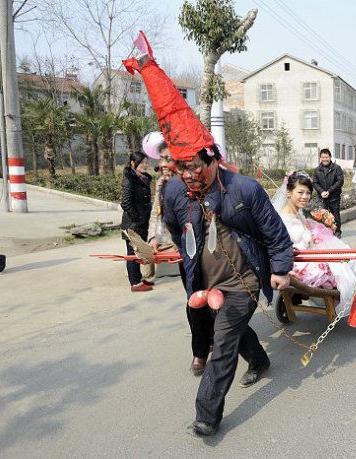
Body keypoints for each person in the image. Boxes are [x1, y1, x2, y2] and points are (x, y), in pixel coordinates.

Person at [123, 32, 293, 439]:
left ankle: (206, 415)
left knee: (222, 343)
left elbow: (276, 235)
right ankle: (260, 361)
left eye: (193, 166)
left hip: (243, 280)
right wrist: (160, 246)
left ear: (211, 157)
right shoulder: (176, 189)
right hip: (202, 278)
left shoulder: (245, 189)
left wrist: (281, 270)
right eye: (179, 167)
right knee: (226, 332)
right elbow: (177, 229)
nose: (187, 175)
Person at [142, 132, 213, 376]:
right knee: (195, 300)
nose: (162, 163)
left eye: (167, 158)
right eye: (160, 158)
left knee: (207, 299)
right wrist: (153, 238)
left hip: (208, 251)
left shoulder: (195, 180)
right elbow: (157, 213)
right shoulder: (162, 184)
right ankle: (203, 347)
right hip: (183, 253)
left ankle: (207, 346)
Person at [275, 172, 356, 313]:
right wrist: (313, 234)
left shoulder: (298, 212)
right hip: (297, 260)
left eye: (308, 193)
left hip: (304, 255)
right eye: (300, 192)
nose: (305, 197)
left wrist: (320, 227)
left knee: (347, 257)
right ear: (289, 192)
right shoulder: (285, 217)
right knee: (340, 266)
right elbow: (298, 244)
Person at [120, 151, 153, 292]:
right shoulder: (129, 178)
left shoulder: (143, 178)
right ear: (133, 163)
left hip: (141, 223)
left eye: (146, 162)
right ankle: (135, 283)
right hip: (132, 223)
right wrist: (137, 218)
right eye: (142, 162)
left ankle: (138, 277)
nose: (145, 165)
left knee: (137, 251)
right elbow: (125, 203)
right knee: (132, 253)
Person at [312, 148, 344, 237]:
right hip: (321, 197)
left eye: (326, 157)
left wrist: (329, 191)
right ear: (320, 158)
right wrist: (321, 191)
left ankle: (337, 232)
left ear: (330, 157)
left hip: (334, 197)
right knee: (322, 215)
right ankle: (323, 233)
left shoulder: (336, 168)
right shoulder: (317, 170)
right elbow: (315, 182)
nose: (324, 159)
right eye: (322, 157)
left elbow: (340, 181)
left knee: (335, 215)